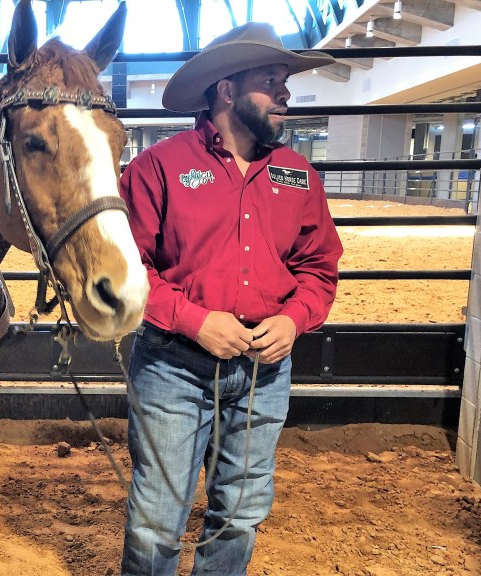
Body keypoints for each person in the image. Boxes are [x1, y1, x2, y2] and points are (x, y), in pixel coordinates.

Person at [119, 23, 343, 575]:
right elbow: (127, 267)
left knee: (241, 515)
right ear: (226, 89)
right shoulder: (158, 168)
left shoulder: (297, 175)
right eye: (271, 81)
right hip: (174, 365)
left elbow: (318, 266)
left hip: (265, 370)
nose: (285, 94)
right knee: (156, 520)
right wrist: (194, 321)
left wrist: (293, 320)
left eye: (284, 81)